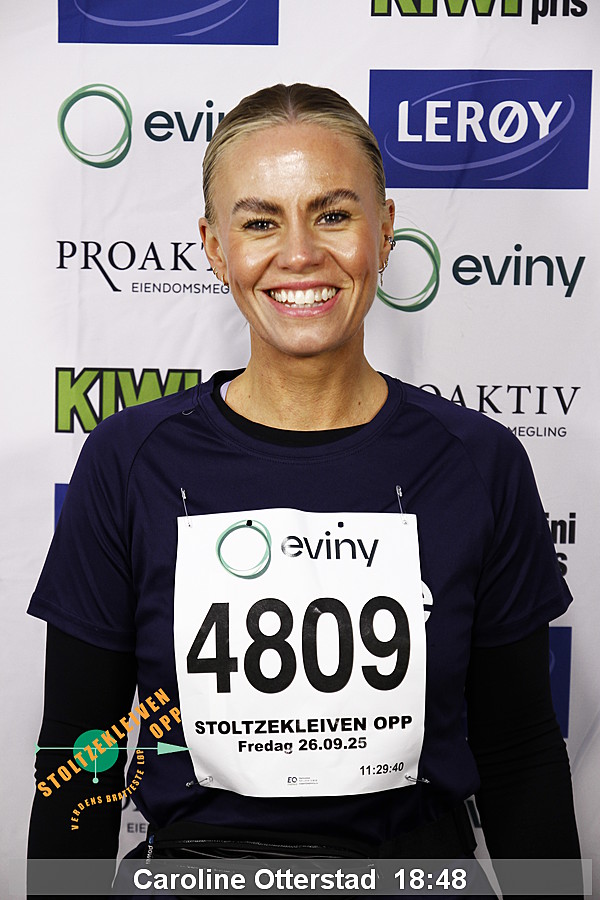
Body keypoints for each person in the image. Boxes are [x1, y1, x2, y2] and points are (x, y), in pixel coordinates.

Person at [28, 83, 580, 896]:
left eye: (332, 214)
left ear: (383, 230)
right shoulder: (128, 460)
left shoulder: (478, 461)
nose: (299, 254)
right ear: (215, 248)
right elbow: (82, 755)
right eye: (260, 222)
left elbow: (519, 752)